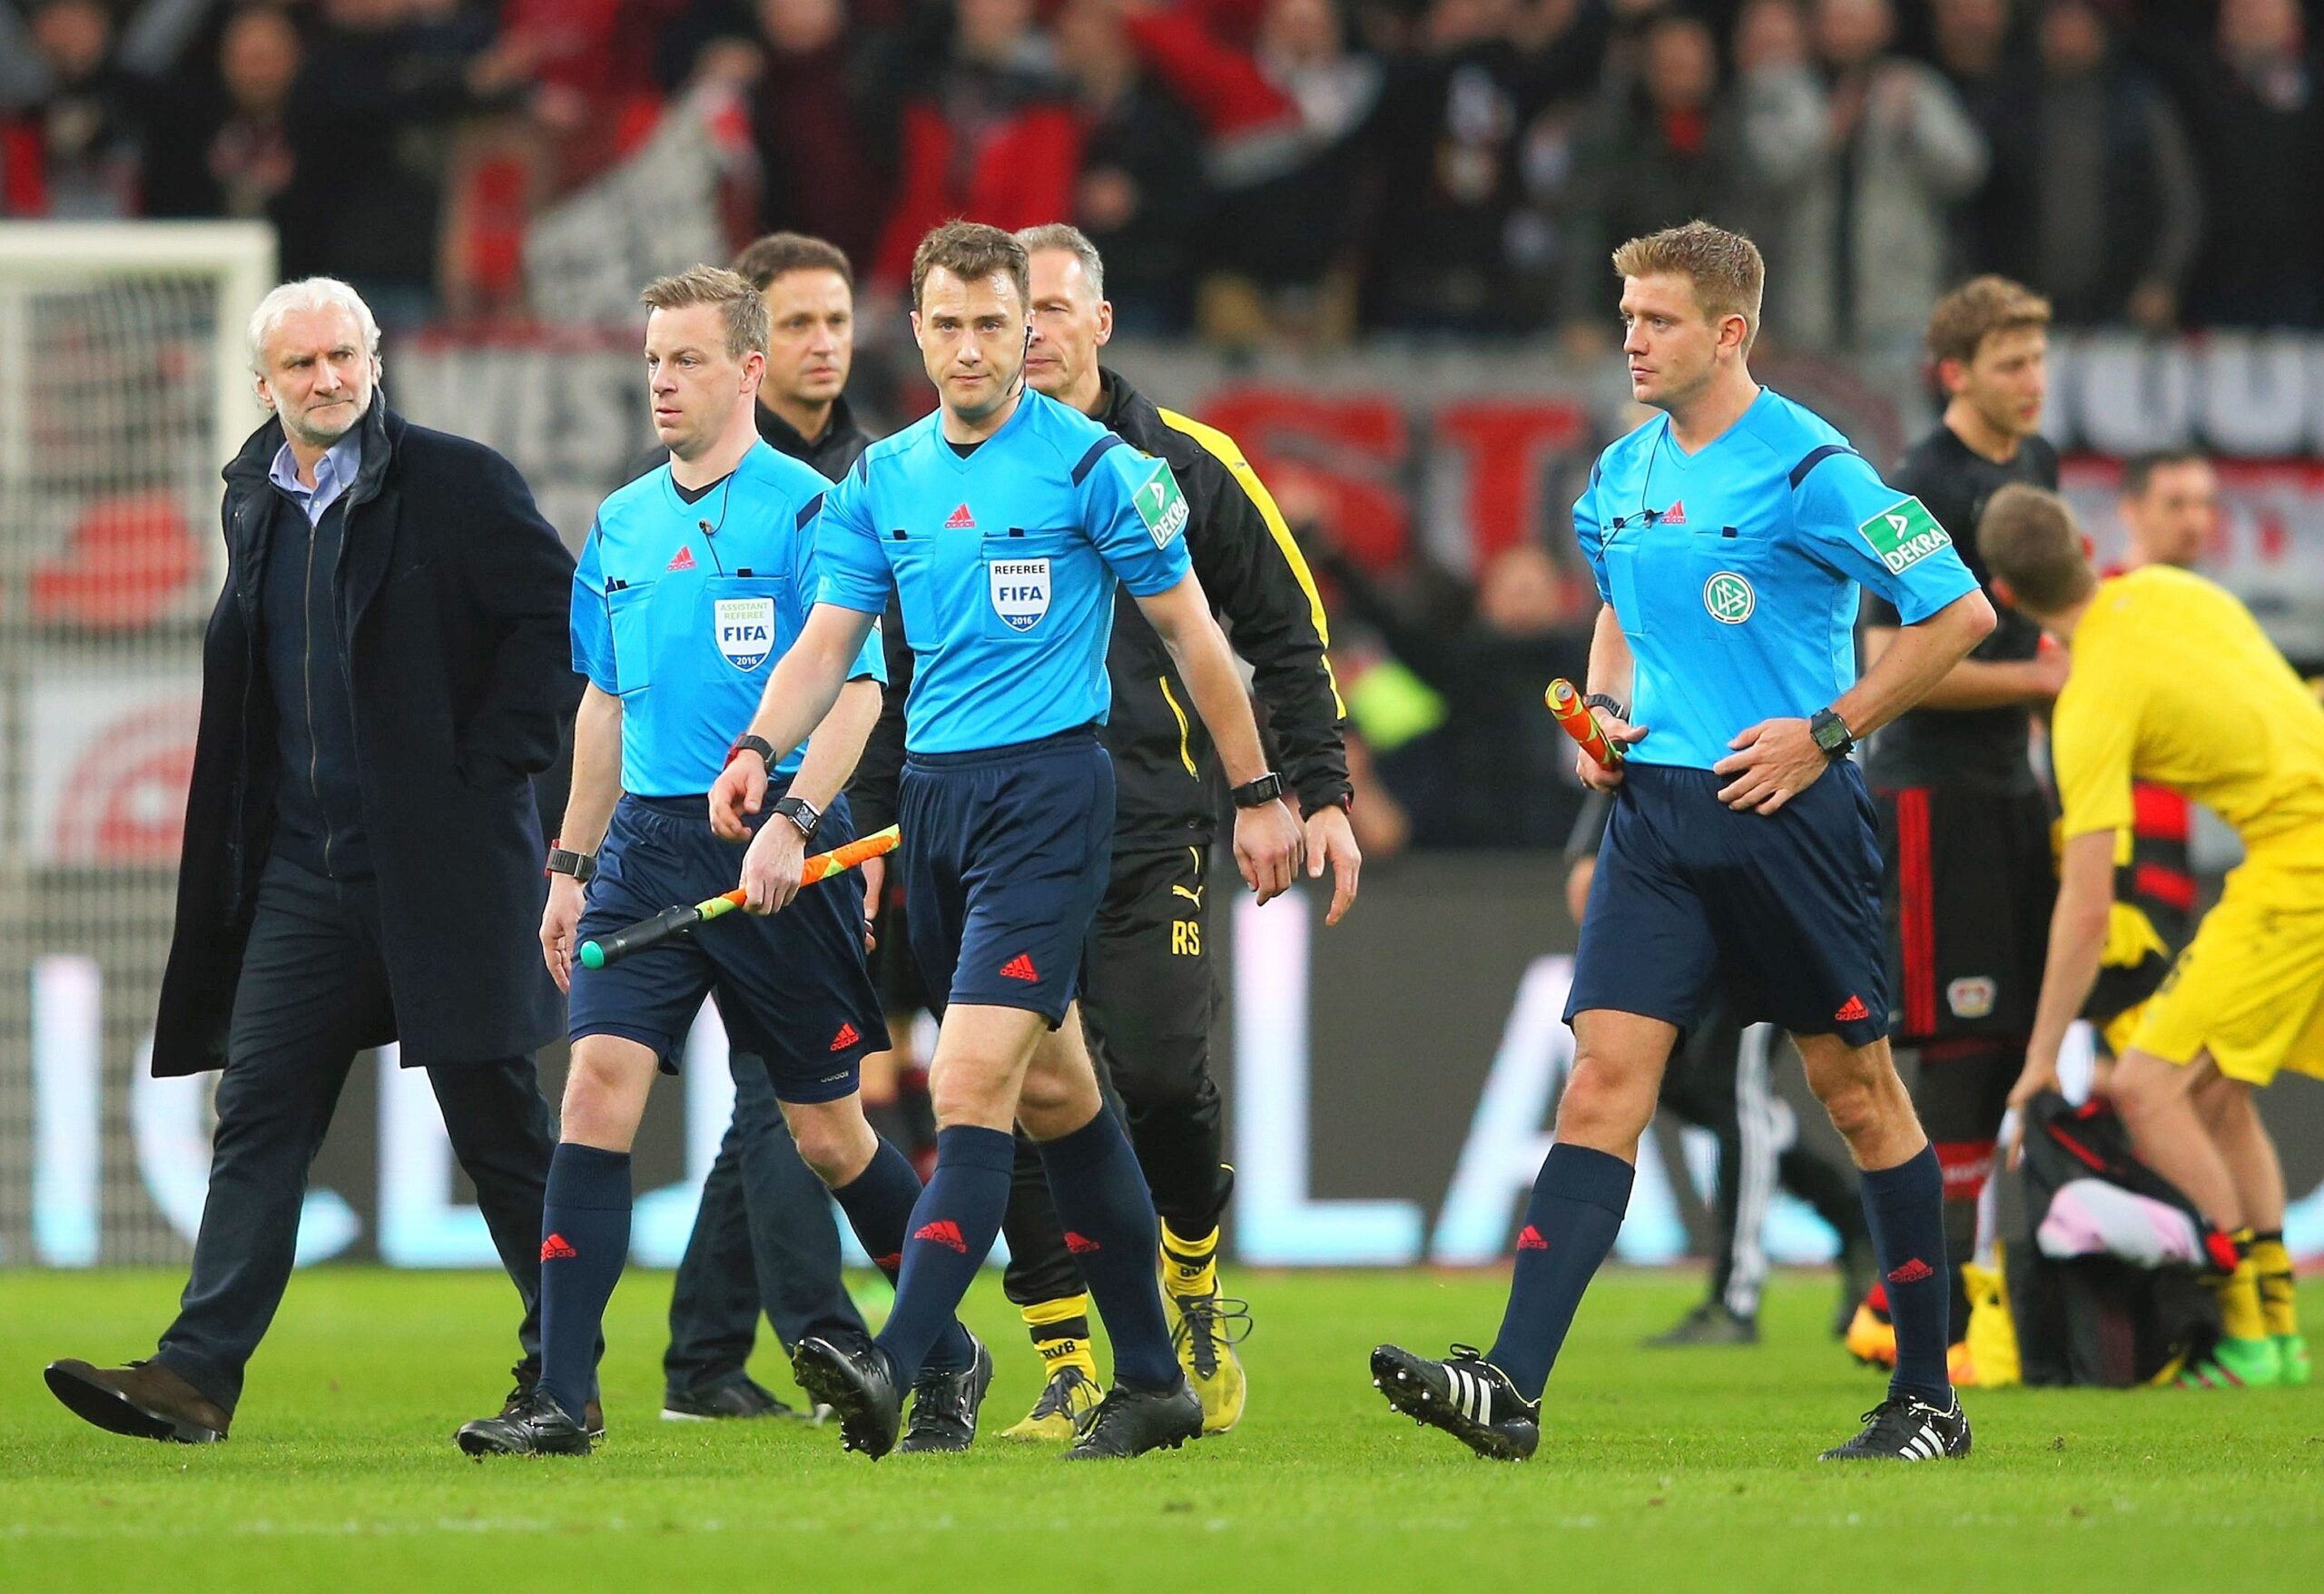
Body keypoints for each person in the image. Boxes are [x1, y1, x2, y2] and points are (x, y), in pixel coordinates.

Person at [1369, 220, 1995, 1462]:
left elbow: (1959, 611)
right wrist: (1606, 712)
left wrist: (1829, 730)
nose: (1631, 340)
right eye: (1627, 316)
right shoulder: (1621, 471)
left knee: (1858, 1094)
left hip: (1787, 816)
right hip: (1652, 814)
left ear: (1728, 332)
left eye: (1655, 320)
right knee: (1603, 1080)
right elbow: (1618, 613)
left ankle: (1927, 1397)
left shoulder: (1814, 469)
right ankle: (1511, 1385)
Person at [708, 220, 1305, 1461]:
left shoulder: (1098, 467)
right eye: (953, 325)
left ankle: (901, 1361)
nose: (978, 347)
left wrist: (1257, 791)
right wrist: (765, 763)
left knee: (971, 1083)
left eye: (999, 323)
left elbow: (1200, 639)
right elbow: (829, 645)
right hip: (934, 806)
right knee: (1055, 1094)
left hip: (1050, 798)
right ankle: (1150, 1378)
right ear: (915, 331)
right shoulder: (883, 480)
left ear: (1033, 326)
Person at [44, 278, 577, 1445]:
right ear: (265, 385)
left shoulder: (459, 480)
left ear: (375, 357)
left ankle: (563, 1382)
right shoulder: (254, 498)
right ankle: (194, 1378)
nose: (327, 378)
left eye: (344, 355)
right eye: (303, 366)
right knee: (260, 1115)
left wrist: (489, 770)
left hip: (442, 869)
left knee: (501, 1135)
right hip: (307, 872)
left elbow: (553, 625)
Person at [456, 265, 977, 1458]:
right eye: (651, 362)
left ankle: (946, 1350)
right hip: (645, 841)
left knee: (828, 1135)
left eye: (686, 360)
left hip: (775, 847)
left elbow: (856, 698)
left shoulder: (814, 510)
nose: (663, 384)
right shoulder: (622, 522)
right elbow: (603, 705)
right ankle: (560, 1393)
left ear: (748, 369)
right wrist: (573, 860)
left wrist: (799, 821)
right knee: (594, 1086)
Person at [848, 221, 1357, 1440]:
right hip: (974, 823)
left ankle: (1184, 1281)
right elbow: (885, 666)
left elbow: (1277, 631)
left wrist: (1299, 788)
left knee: (1157, 1079)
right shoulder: (921, 477)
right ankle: (1076, 1356)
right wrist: (857, 824)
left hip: (1145, 824)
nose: (1019, 339)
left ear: (1079, 322)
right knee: (1024, 1085)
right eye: (963, 322)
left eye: (1043, 313)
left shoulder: (1168, 463)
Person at [1982, 484, 2314, 1390]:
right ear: (2088, 544)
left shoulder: (2088, 702)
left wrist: (2041, 1056)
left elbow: (2086, 906)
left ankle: (2239, 1335)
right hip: (2299, 844)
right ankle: (2277, 1338)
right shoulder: (2177, 591)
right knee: (2215, 1092)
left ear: (2003, 597)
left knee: (2145, 1083)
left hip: (2301, 863)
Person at [645, 232, 884, 1425]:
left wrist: (860, 827)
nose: (825, 344)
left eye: (838, 319)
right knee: (792, 1088)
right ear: (748, 355)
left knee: (784, 1094)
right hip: (741, 824)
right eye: (798, 324)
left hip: (846, 825)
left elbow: (889, 681)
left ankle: (701, 1363)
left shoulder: (874, 470)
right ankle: (835, 1347)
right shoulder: (712, 484)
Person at [1851, 276, 2064, 1380]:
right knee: (1949, 1052)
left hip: (2010, 792)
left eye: (2037, 362)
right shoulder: (1918, 484)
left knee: (2001, 1052)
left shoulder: (2035, 468)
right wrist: (2038, 678)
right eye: (2012, 365)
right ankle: (1907, 1306)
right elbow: (1890, 668)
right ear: (1955, 375)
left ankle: (1919, 1295)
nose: (2033, 383)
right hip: (1928, 792)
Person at [1563, 794, 1876, 1348]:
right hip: (1691, 939)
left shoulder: (1728, 729)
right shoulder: (1651, 741)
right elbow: (1587, 879)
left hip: (1766, 925)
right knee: (1692, 1086)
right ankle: (1853, 1218)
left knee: (1738, 1094)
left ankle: (1735, 1298)